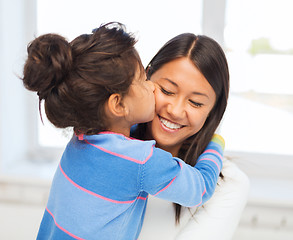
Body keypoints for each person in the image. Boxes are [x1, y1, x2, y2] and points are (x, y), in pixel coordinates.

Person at [21, 23, 225, 240]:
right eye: (144, 81)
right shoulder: (142, 160)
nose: (151, 87)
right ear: (118, 105)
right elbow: (200, 188)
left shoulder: (82, 136)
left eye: (195, 102)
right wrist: (215, 142)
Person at [132, 33, 250, 239]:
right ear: (146, 78)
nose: (176, 111)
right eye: (167, 91)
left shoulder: (228, 184)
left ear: (213, 109)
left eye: (195, 102)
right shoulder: (103, 145)